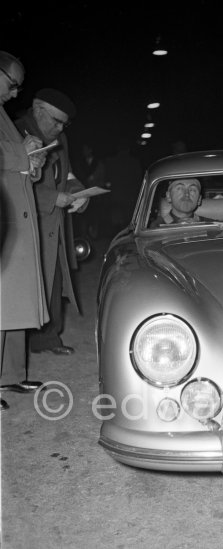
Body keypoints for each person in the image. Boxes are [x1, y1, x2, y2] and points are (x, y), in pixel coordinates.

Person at [15, 88, 89, 356]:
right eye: (55, 121)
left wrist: (79, 192)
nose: (59, 128)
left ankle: (47, 338)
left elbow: (67, 174)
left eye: (64, 123)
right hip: (26, 223)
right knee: (26, 285)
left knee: (53, 280)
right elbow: (9, 183)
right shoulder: (15, 132)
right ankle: (19, 346)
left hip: (54, 225)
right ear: (37, 109)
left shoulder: (61, 139)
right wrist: (51, 198)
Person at [0, 51, 49, 408]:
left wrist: (33, 159)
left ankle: (11, 375)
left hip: (18, 213)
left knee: (15, 299)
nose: (16, 93)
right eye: (12, 83)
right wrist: (22, 152)